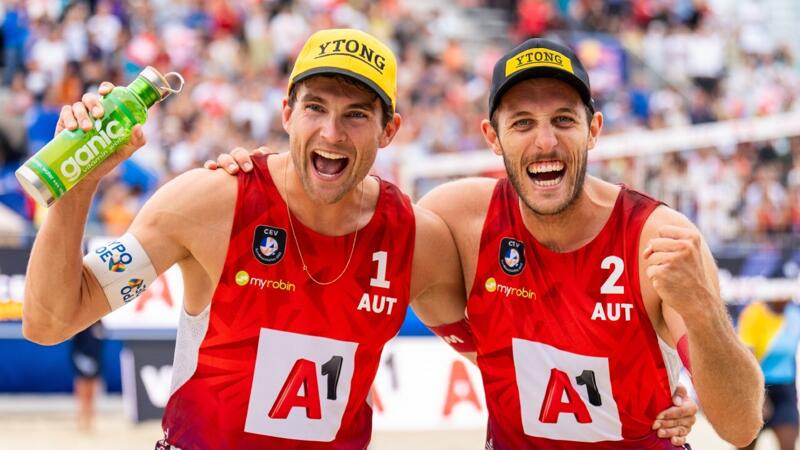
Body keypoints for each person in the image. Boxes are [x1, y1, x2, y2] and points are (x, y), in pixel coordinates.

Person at [22, 28, 695, 449]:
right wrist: (78, 185)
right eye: (314, 108)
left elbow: (519, 337)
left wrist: (661, 386)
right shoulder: (213, 200)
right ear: (286, 113)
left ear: (390, 130)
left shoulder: (415, 238)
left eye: (355, 115)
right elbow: (52, 320)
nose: (332, 133)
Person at [212, 37, 760, 448]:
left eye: (562, 120)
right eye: (522, 123)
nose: (544, 142)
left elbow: (741, 428)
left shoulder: (659, 240)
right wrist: (265, 173)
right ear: (492, 136)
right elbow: (334, 219)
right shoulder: (457, 220)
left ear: (593, 130)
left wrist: (704, 317)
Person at [737, 296, 800, 450]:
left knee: (788, 444)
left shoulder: (794, 314)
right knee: (747, 445)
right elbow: (747, 359)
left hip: (785, 389)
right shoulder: (754, 313)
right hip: (757, 385)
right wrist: (760, 395)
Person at [70, 321, 104, 433]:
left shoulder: (100, 324)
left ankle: (89, 424)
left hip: (95, 362)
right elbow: (75, 347)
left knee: (91, 397)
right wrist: (79, 362)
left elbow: (100, 347)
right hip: (83, 362)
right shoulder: (81, 325)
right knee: (83, 396)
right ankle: (80, 423)